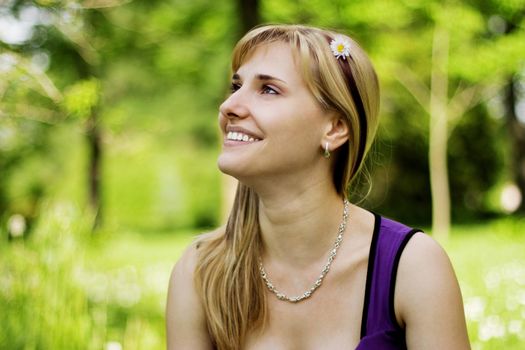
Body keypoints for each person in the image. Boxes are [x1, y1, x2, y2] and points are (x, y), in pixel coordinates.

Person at [166, 24, 470, 350]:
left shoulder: (413, 267)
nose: (229, 107)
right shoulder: (200, 271)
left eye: (268, 89)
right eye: (235, 86)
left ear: (335, 128)